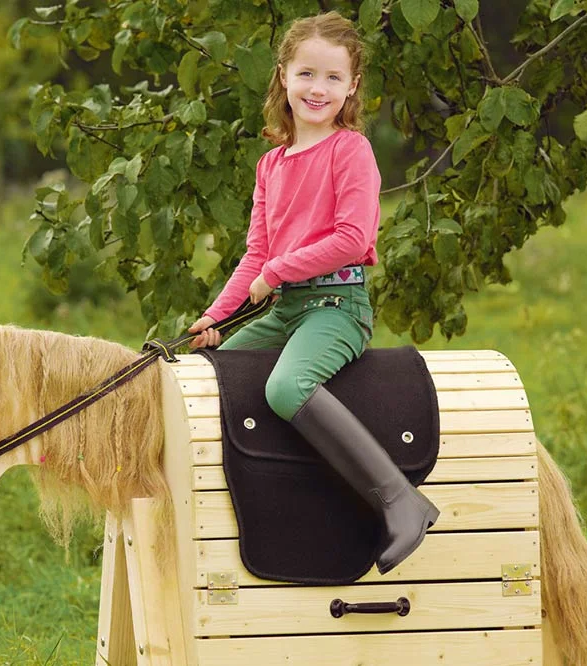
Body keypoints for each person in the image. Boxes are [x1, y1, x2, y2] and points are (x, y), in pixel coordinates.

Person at [187, 11, 439, 575]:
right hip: (289, 310)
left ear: (352, 86)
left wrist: (277, 271)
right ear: (282, 76)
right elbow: (254, 254)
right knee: (216, 371)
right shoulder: (271, 165)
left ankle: (401, 500)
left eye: (331, 77)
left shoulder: (350, 152)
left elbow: (353, 238)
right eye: (305, 74)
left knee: (287, 384)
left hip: (336, 306)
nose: (316, 88)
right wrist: (214, 317)